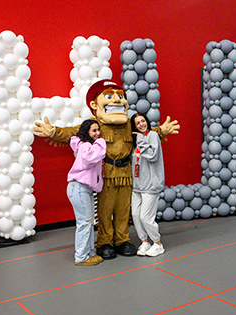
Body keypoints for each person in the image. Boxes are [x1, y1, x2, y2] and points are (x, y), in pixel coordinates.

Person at [34, 79, 179, 260]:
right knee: (105, 210)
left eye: (120, 96)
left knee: (123, 210)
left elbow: (146, 131)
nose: (117, 101)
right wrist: (54, 131)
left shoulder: (128, 124)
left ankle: (122, 240)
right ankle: (104, 242)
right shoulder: (95, 125)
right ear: (95, 104)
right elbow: (73, 132)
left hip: (127, 174)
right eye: (110, 96)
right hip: (106, 174)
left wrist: (161, 131)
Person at [67, 119, 106, 266]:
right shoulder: (86, 146)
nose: (97, 133)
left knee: (89, 223)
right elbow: (91, 158)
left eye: (98, 130)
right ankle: (81, 257)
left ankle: (89, 253)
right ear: (87, 133)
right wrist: (101, 142)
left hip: (85, 189)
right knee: (85, 222)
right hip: (79, 187)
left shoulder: (87, 146)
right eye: (94, 131)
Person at [130, 113, 165, 257]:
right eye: (137, 123)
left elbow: (152, 155)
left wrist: (141, 140)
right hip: (137, 185)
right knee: (136, 215)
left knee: (145, 217)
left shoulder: (152, 136)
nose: (141, 125)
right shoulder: (135, 141)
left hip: (151, 184)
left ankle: (157, 243)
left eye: (142, 121)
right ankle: (144, 241)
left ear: (147, 122)